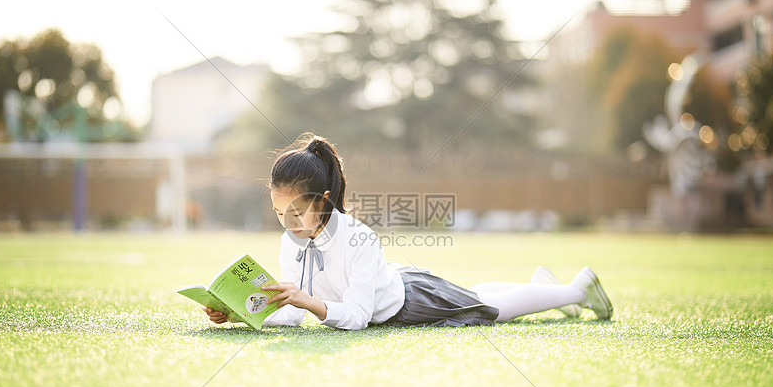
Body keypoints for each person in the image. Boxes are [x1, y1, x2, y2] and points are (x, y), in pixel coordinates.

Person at [205, 133, 613, 331]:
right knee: (479, 295)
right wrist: (240, 313)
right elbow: (294, 312)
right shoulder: (289, 244)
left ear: (324, 199)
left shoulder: (358, 238)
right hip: (397, 287)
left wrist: (308, 302)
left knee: (493, 310)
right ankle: (544, 287)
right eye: (279, 214)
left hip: (410, 301)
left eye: (296, 211)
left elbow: (360, 317)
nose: (288, 223)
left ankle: (579, 290)